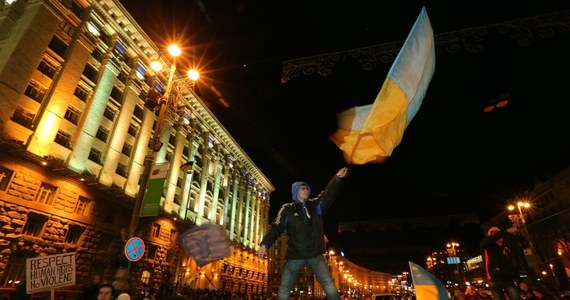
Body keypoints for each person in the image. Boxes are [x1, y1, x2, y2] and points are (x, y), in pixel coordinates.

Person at [257, 167, 349, 300]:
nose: (306, 190)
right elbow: (276, 227)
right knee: (284, 290)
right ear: (295, 191)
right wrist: (265, 244)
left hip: (315, 254)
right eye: (302, 188)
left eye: (307, 188)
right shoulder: (287, 209)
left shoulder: (315, 205)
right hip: (295, 255)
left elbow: (327, 195)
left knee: (330, 287)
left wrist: (337, 179)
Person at [480, 226, 522, 300]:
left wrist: (519, 280)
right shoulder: (487, 245)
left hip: (507, 278)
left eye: (497, 233)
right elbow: (488, 241)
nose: (496, 235)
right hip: (493, 278)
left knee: (515, 297)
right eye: (493, 234)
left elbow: (513, 263)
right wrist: (506, 231)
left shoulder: (506, 247)